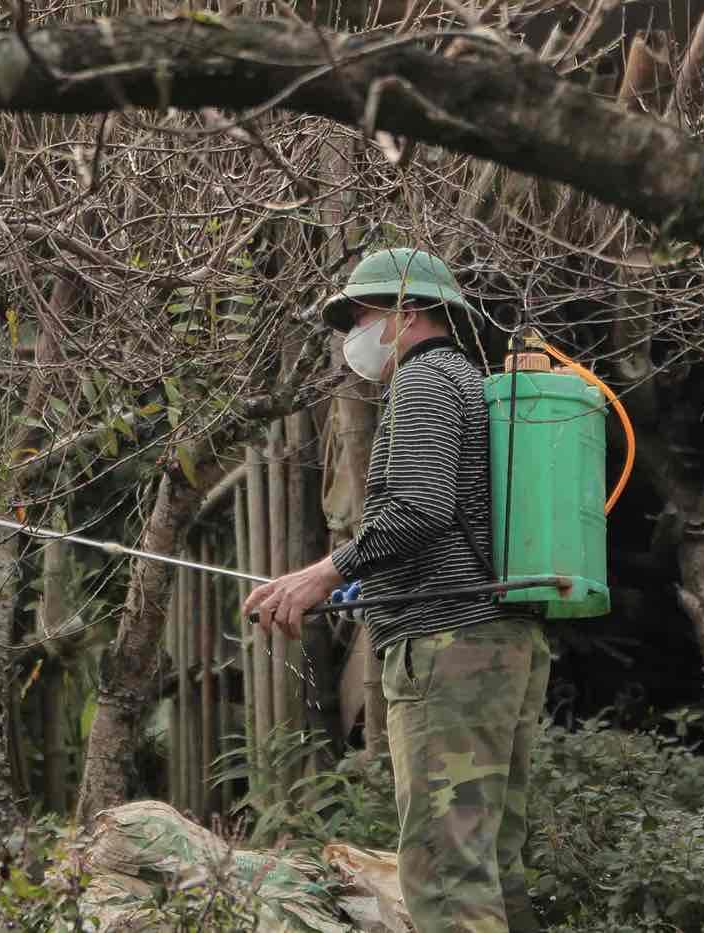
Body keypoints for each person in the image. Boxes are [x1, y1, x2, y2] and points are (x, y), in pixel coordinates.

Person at [243, 247, 550, 933]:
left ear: (407, 313)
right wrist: (370, 581)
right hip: (497, 642)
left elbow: (418, 508)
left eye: (363, 314)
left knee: (446, 878)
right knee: (492, 870)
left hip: (449, 650)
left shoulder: (423, 382)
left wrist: (328, 571)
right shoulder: (464, 380)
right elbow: (446, 521)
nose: (355, 330)